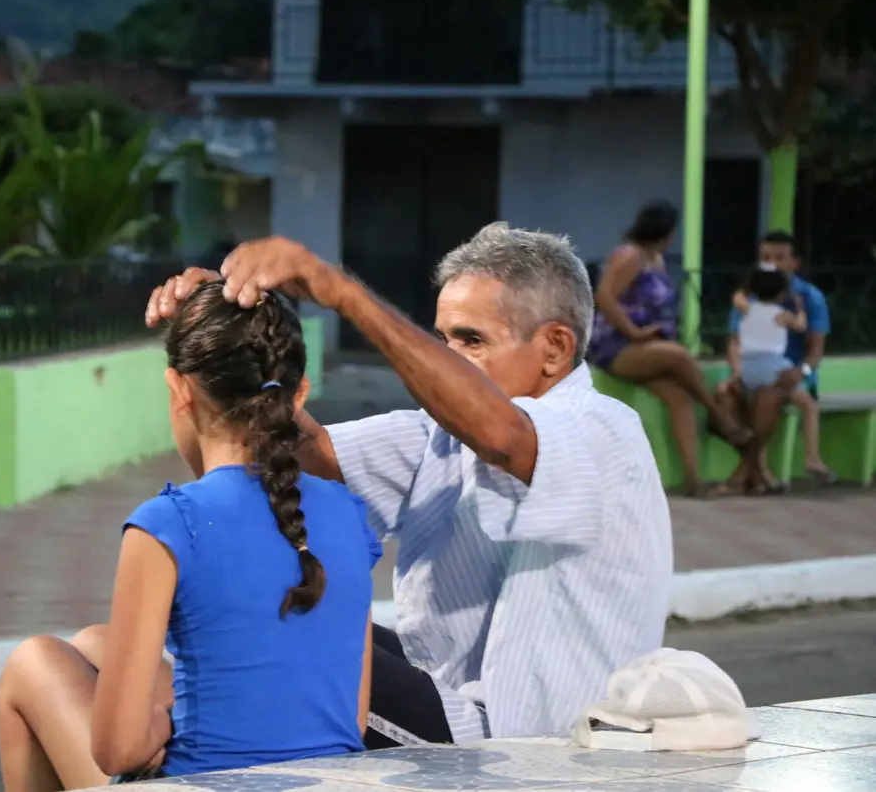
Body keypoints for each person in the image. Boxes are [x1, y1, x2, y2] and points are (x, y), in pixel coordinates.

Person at [146, 223, 672, 744]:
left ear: (555, 348)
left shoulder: (602, 428)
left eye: (471, 341)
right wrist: (212, 330)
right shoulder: (438, 435)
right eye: (442, 339)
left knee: (246, 651)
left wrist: (343, 294)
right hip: (448, 701)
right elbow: (296, 457)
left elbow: (503, 436)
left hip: (527, 746)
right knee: (261, 613)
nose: (446, 357)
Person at [0, 283, 381, 791]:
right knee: (94, 642)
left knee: (34, 662)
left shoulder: (170, 523)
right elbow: (351, 720)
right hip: (328, 781)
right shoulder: (350, 514)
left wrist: (158, 721)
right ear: (299, 395)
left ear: (179, 392)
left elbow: (119, 750)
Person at [587, 200, 752, 497]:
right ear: (665, 232)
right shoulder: (630, 256)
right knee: (679, 357)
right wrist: (634, 332)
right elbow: (605, 297)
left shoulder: (657, 260)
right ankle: (720, 417)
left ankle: (693, 479)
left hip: (649, 346)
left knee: (680, 398)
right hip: (616, 345)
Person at [719, 231, 837, 492]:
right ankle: (759, 471)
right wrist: (737, 371)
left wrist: (801, 372)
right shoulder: (749, 298)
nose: (771, 263)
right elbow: (735, 342)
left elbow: (816, 350)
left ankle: (749, 473)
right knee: (729, 397)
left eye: (779, 257)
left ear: (795, 262)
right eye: (765, 257)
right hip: (755, 370)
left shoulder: (809, 296)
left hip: (793, 374)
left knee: (768, 398)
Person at [734, 263, 806, 392]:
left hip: (747, 368)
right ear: (782, 293)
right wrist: (800, 308)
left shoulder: (747, 309)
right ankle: (809, 411)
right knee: (807, 400)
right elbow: (801, 326)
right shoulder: (782, 315)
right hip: (774, 367)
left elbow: (737, 297)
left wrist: (751, 281)